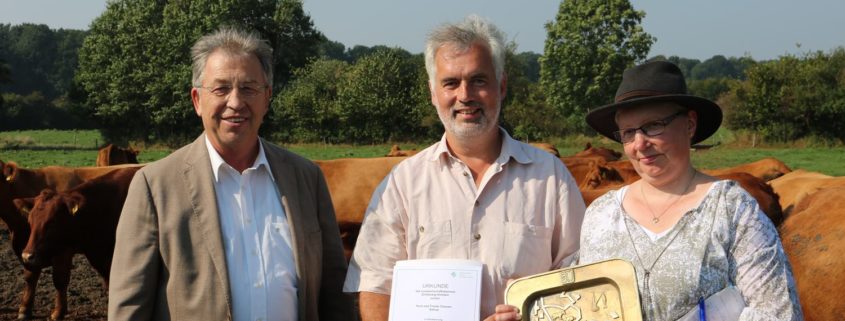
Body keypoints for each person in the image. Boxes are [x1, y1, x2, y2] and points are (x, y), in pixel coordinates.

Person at [342, 15, 586, 321]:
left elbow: (579, 280)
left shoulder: (551, 178)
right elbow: (376, 286)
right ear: (433, 93)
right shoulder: (403, 184)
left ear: (502, 86)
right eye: (450, 83)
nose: (465, 95)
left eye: (478, 80)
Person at [108, 27, 352, 321]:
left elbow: (333, 293)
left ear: (267, 98)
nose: (235, 102)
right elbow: (129, 308)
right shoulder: (155, 186)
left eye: (249, 88)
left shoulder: (306, 178)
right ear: (198, 100)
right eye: (221, 88)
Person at [563, 61, 801, 321]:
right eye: (628, 132)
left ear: (689, 124)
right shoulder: (602, 214)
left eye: (653, 125)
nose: (639, 144)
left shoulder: (732, 209)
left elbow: (779, 313)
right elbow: (582, 307)